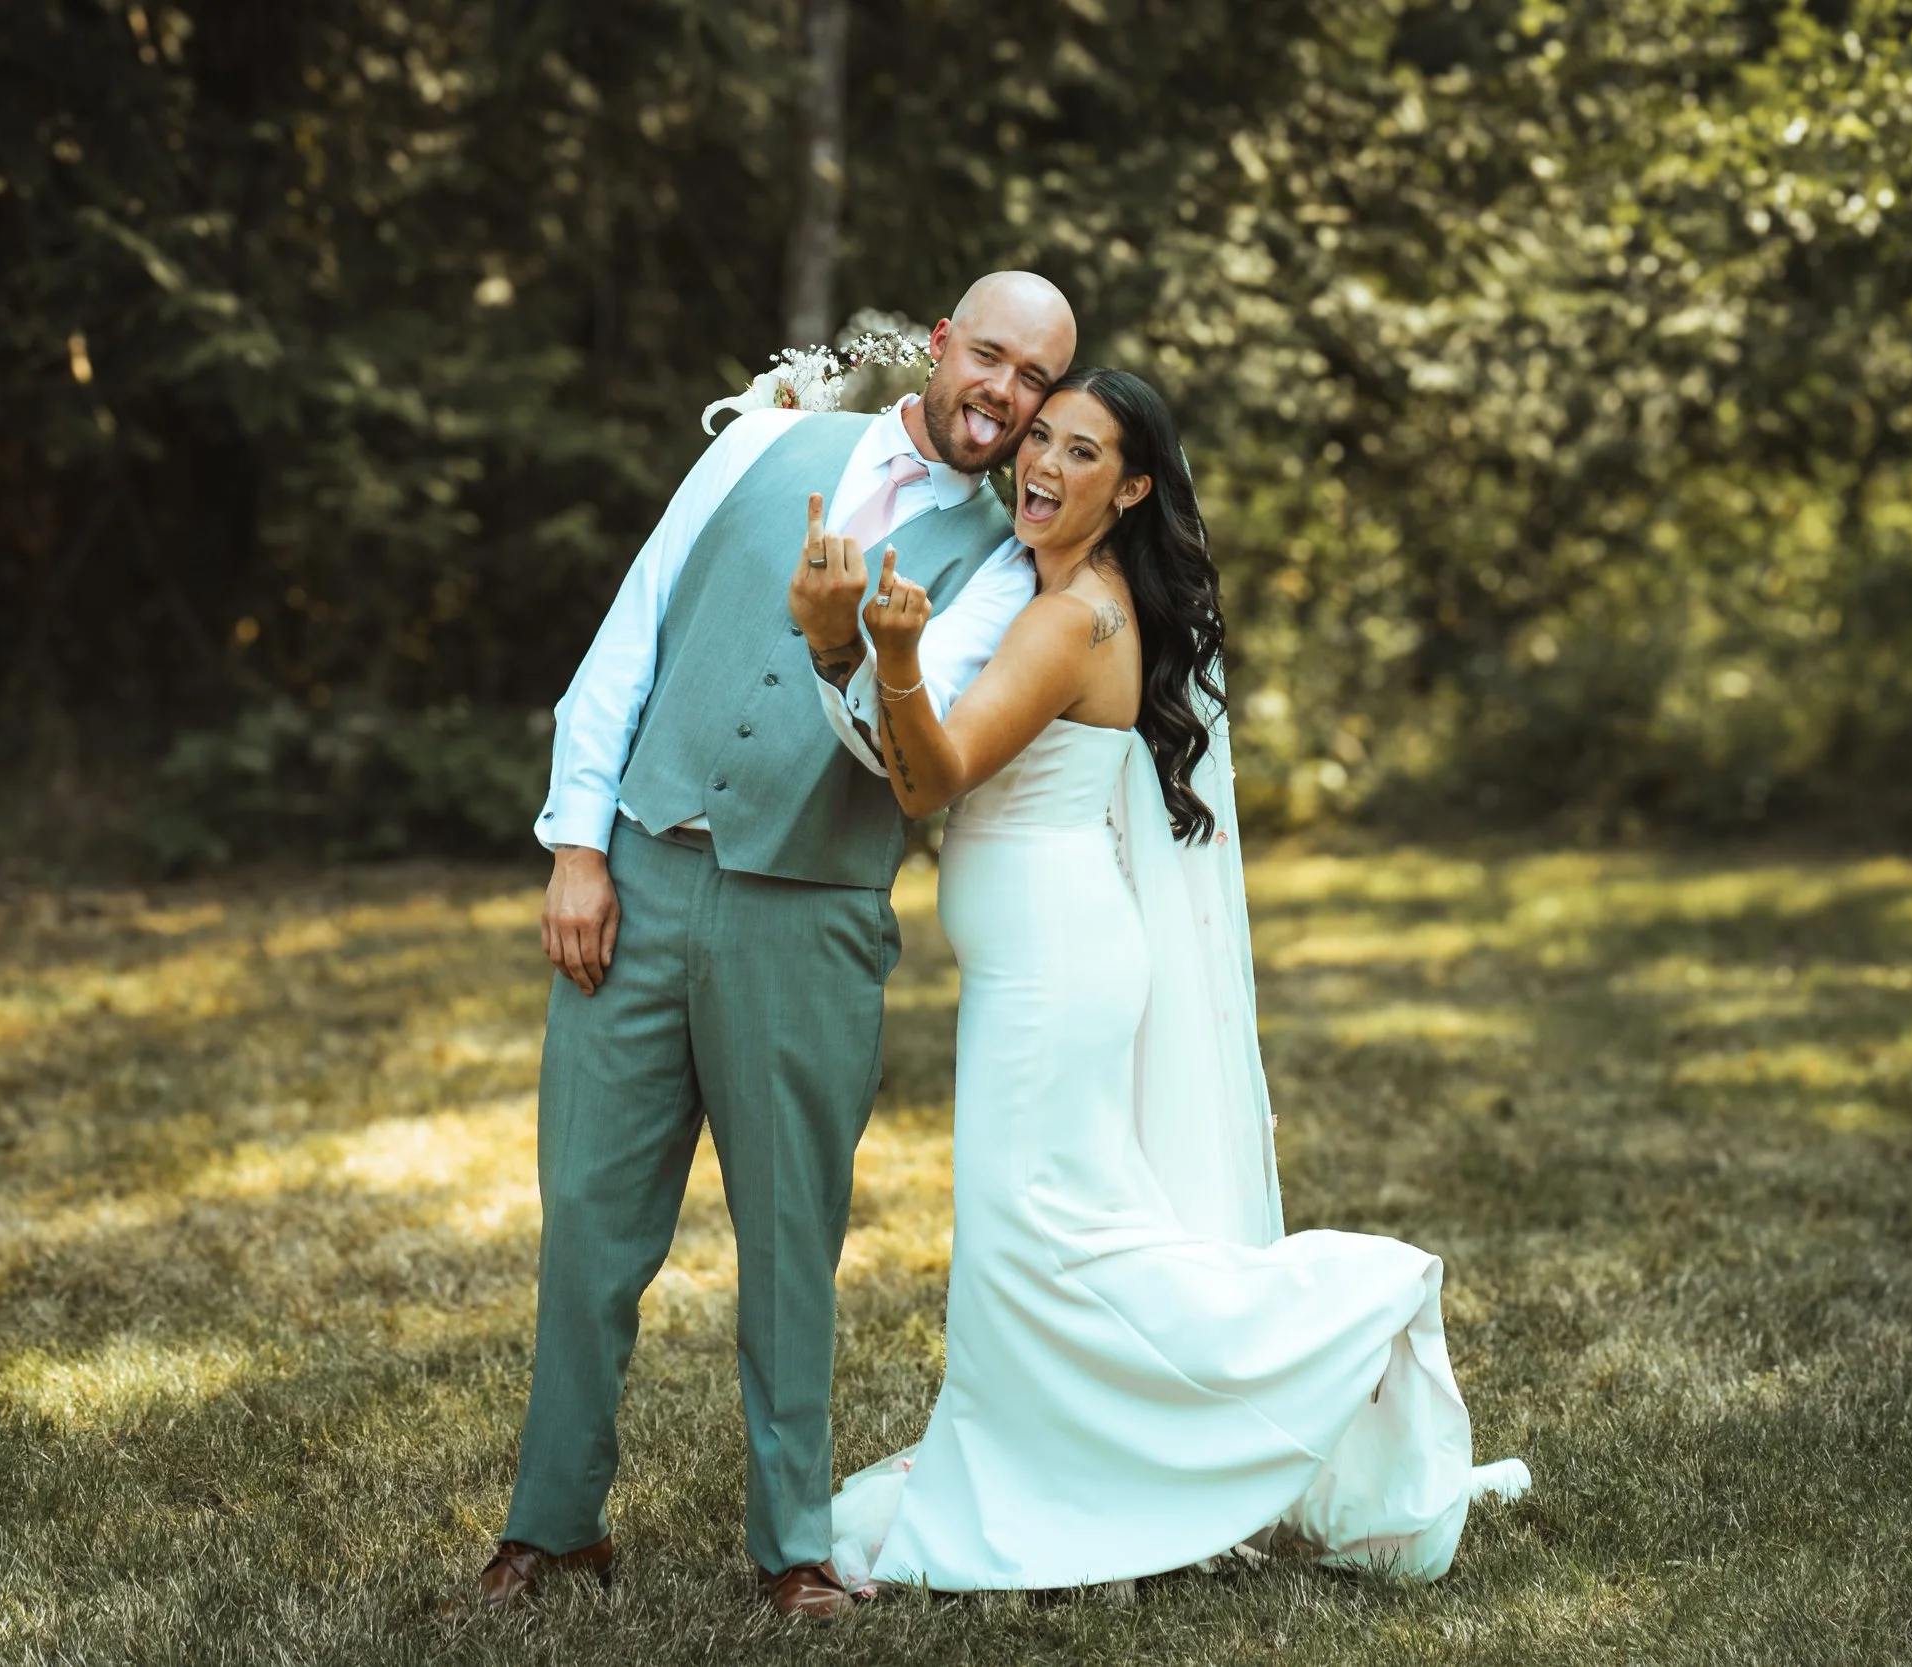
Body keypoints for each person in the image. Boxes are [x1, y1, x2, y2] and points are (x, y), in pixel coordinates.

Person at [785, 367, 1530, 1592]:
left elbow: (933, 778)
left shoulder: (1072, 618)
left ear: (1131, 488)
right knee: (1027, 1251)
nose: (1044, 465)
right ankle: (1060, 1476)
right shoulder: (1062, 591)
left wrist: (885, 651)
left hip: (1053, 969)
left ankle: (1357, 1299)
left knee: (1056, 1245)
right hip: (1045, 956)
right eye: (1043, 441)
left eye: (1085, 454)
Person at [479, 273, 1077, 1621]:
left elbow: (908, 753)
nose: (1004, 392)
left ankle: (793, 1547)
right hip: (636, 874)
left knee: (791, 1235)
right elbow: (628, 633)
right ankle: (551, 1527)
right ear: (939, 347)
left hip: (810, 909)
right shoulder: (760, 442)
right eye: (989, 356)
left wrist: (841, 648)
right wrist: (579, 844)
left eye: (1036, 379)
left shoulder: (1007, 561)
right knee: (587, 1221)